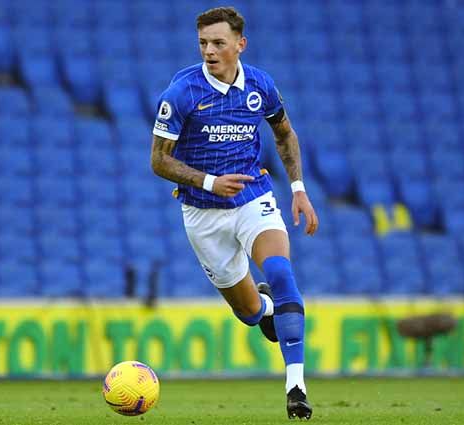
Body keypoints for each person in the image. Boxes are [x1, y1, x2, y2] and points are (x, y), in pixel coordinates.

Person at [149, 6, 319, 420]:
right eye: (204, 43)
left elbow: (284, 133)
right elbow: (158, 160)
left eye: (218, 43)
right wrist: (209, 181)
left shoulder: (261, 85)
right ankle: (264, 311)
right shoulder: (182, 93)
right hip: (203, 214)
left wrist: (298, 189)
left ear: (239, 44)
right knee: (249, 313)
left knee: (281, 274)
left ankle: (295, 385)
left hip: (252, 198)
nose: (209, 50)